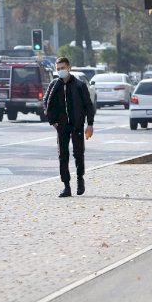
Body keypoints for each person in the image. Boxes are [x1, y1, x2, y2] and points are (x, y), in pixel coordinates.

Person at [45, 57, 95, 198]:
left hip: (77, 125)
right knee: (63, 156)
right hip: (61, 126)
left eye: (63, 68)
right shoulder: (54, 85)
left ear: (69, 67)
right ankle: (66, 186)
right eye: (58, 68)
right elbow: (46, 101)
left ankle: (80, 179)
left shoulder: (79, 85)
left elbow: (88, 106)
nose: (60, 71)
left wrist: (89, 124)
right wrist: (52, 121)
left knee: (78, 154)